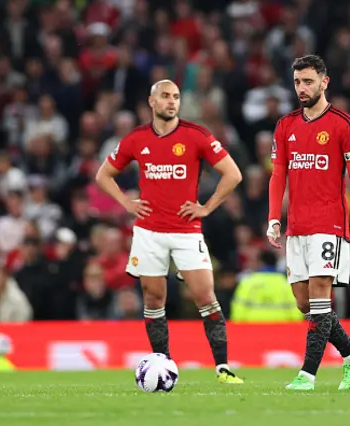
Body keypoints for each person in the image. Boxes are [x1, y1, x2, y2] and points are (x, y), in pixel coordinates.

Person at [95, 79, 243, 384]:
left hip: (187, 231)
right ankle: (164, 366)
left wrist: (206, 207)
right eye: (165, 96)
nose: (172, 101)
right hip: (149, 232)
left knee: (205, 296)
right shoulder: (136, 139)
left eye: (175, 96)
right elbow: (104, 174)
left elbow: (233, 173)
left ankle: (223, 368)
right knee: (153, 299)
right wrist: (125, 202)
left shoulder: (196, 134)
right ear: (152, 102)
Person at [267, 55, 350, 391]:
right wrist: (274, 218)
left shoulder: (345, 125)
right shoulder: (286, 125)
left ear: (324, 82)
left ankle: (307, 376)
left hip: (329, 223)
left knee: (320, 299)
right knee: (304, 303)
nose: (302, 88)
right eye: (298, 82)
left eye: (308, 81)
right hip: (297, 227)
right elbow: (278, 176)